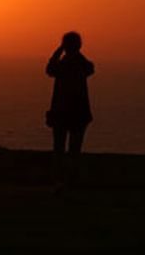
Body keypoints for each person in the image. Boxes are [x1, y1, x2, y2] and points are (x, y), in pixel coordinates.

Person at [45, 31, 94, 185]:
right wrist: (77, 52)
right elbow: (90, 68)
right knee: (74, 150)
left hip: (61, 113)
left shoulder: (62, 65)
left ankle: (58, 180)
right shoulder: (81, 65)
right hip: (78, 113)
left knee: (58, 149)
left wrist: (58, 51)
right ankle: (71, 181)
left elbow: (49, 69)